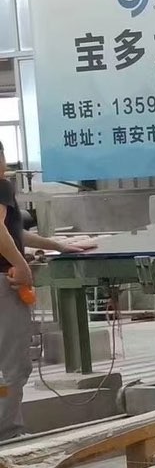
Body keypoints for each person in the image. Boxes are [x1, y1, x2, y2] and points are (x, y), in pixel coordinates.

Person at [0, 144, 89, 441]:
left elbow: (14, 232)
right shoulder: (0, 186)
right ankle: (8, 432)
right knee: (12, 365)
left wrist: (56, 245)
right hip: (5, 284)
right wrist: (20, 264)